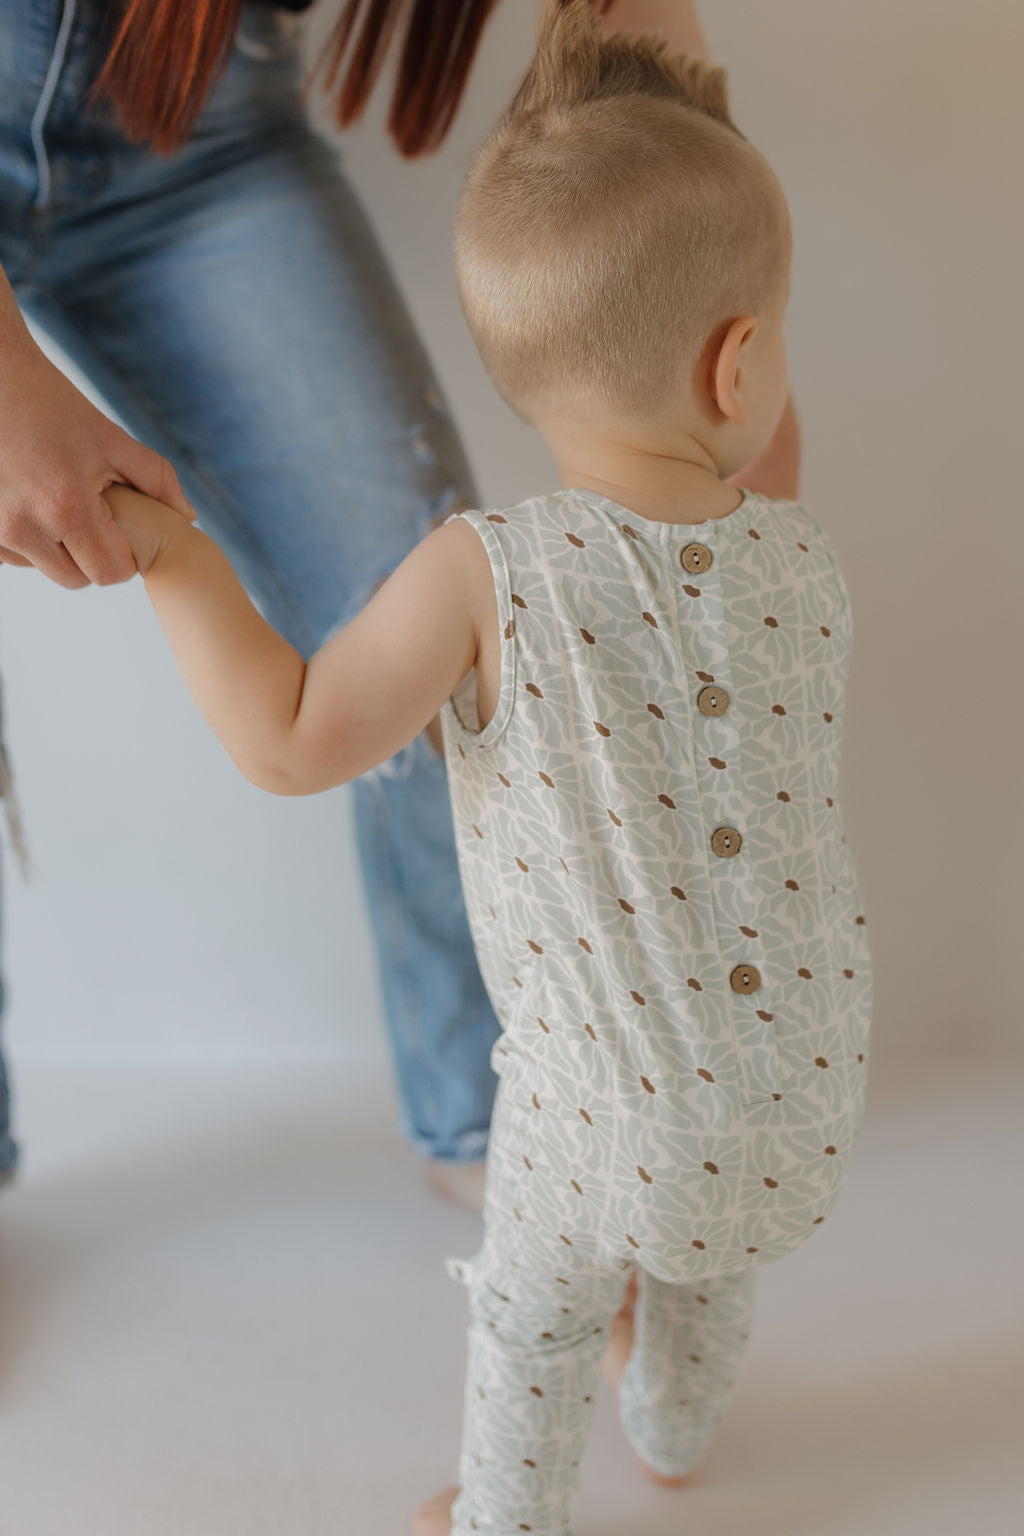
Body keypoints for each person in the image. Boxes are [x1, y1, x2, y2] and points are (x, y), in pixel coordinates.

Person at [48, 3, 870, 1528]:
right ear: (743, 364)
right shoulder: (800, 556)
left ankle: (501, 1518)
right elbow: (759, 435)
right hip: (806, 1115)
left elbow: (293, 740)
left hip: (603, 1137)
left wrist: (174, 559)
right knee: (697, 1258)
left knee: (537, 1315)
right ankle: (680, 1427)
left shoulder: (484, 574)